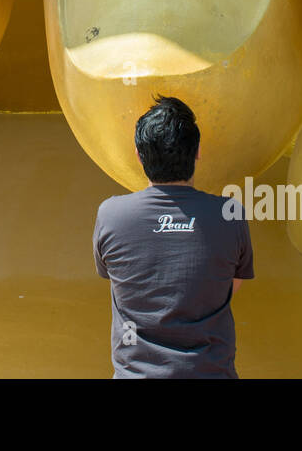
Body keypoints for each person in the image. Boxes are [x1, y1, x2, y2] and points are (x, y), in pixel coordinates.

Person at [93, 95, 254, 378]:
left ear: (139, 155)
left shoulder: (111, 216)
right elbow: (228, 287)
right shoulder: (231, 216)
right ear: (198, 151)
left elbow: (115, 278)